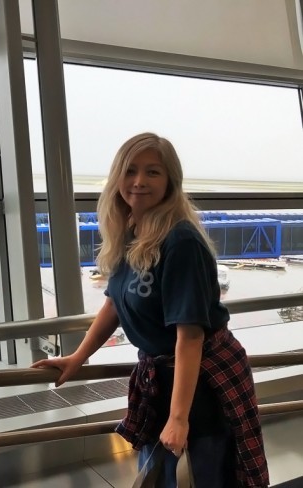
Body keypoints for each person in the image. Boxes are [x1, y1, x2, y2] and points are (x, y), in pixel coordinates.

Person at [32, 133, 268, 487]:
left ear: (170, 181)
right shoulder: (132, 231)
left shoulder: (181, 241)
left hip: (199, 387)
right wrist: (78, 357)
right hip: (161, 384)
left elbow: (190, 336)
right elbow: (114, 302)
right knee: (159, 476)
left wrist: (179, 418)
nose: (139, 181)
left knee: (201, 475)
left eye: (153, 172)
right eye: (130, 170)